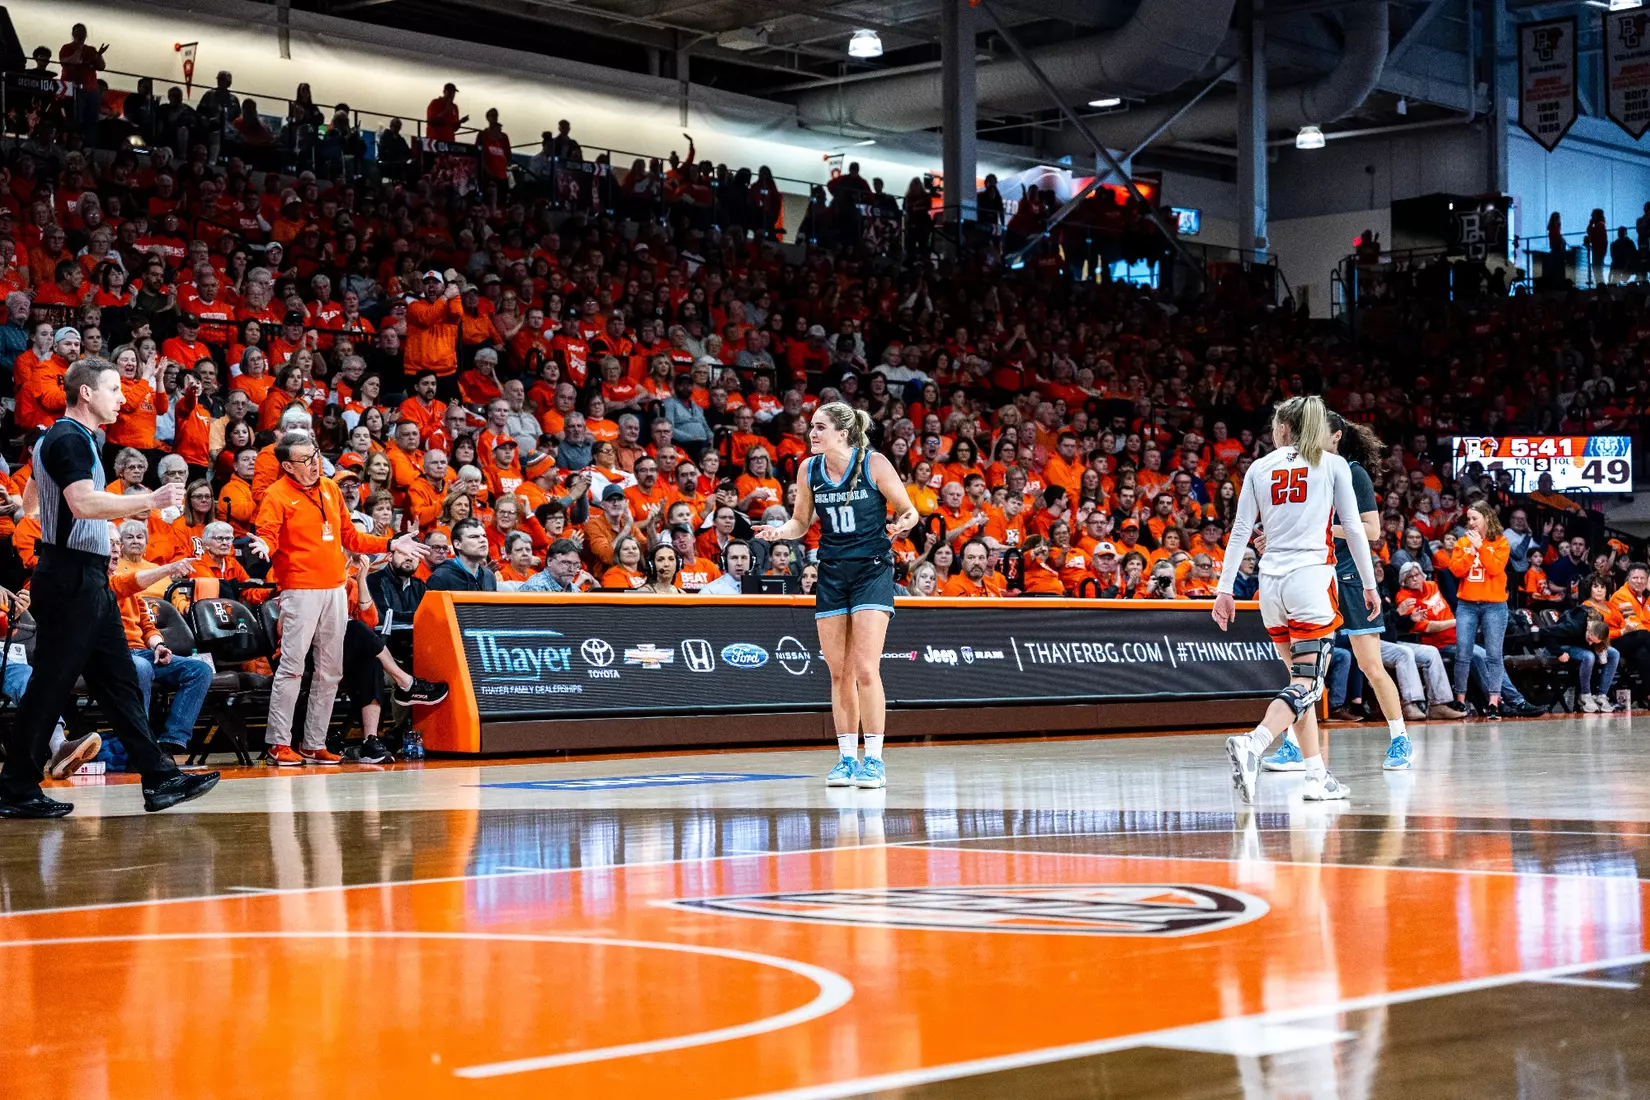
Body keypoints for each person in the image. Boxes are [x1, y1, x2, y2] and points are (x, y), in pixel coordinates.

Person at [0, 359, 220, 817]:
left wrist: (56, 533)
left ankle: (159, 778)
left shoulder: (63, 440)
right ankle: (16, 787)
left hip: (83, 576)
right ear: (86, 393)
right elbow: (80, 503)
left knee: (119, 681)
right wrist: (150, 500)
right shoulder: (69, 439)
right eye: (115, 389)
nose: (124, 398)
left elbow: (31, 504)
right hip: (72, 578)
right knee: (50, 685)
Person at [1212, 396, 1379, 804]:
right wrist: (1370, 584)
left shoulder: (1259, 467)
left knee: (1299, 684)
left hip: (1270, 585)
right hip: (1310, 582)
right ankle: (1255, 742)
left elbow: (1238, 532)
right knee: (1308, 685)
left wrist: (1225, 588)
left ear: (1284, 429)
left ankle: (1316, 776)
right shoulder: (1333, 464)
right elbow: (1356, 531)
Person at [756, 401, 918, 789]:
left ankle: (874, 761)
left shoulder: (873, 463)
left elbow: (909, 511)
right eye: (811, 427)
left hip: (872, 570)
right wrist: (780, 532)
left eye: (820, 427)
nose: (812, 433)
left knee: (865, 668)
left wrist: (900, 525)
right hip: (831, 572)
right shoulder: (808, 468)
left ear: (842, 433)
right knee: (838, 671)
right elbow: (800, 522)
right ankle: (846, 759)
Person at [254, 432, 441, 766]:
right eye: (305, 460)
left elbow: (350, 536)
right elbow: (267, 535)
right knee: (293, 667)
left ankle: (313, 742)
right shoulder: (276, 495)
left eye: (315, 456)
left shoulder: (329, 488)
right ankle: (278, 742)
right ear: (286, 466)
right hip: (300, 590)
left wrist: (389, 544)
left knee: (331, 670)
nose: (314, 464)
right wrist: (264, 547)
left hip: (336, 589)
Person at [1264, 414, 1414, 773]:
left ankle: (1400, 739)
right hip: (1314, 576)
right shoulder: (1307, 471)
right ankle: (1294, 746)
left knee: (1371, 665)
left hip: (1349, 576)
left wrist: (1325, 528)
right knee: (1307, 670)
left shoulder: (1352, 472)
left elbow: (1372, 530)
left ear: (1336, 437)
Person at [1449, 500, 1538, 718]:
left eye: (1474, 518)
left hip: (1494, 605)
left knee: (1494, 655)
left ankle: (1494, 702)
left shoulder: (1501, 542)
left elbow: (1495, 567)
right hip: (1467, 604)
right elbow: (1456, 570)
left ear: (1487, 518)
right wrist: (1471, 550)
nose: (1470, 523)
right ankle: (1460, 700)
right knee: (1463, 652)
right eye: (1468, 519)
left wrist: (1480, 547)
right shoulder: (1461, 542)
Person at [426, 517, 498, 591]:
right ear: (457, 544)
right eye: (474, 536)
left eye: (484, 536)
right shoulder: (441, 577)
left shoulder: (489, 576)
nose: (483, 540)